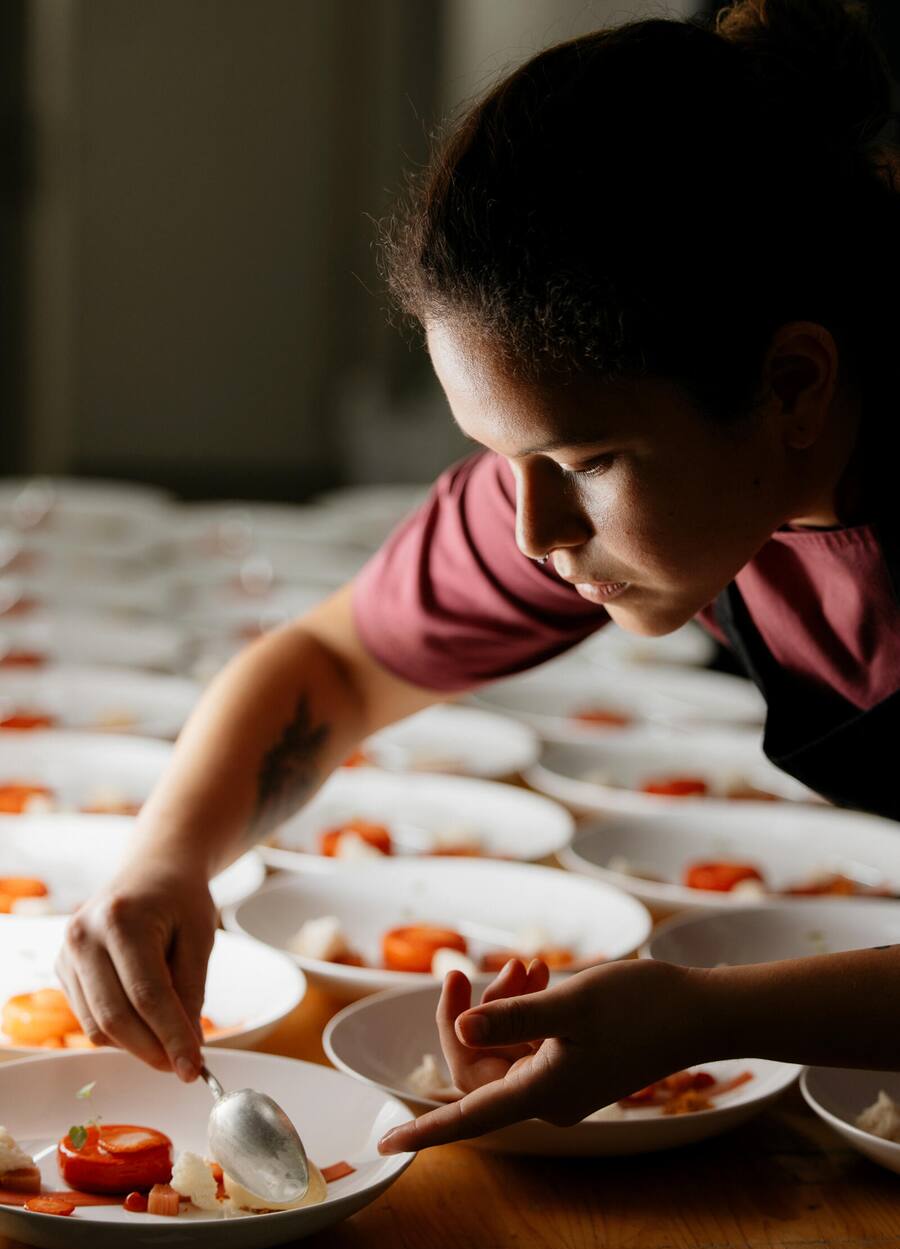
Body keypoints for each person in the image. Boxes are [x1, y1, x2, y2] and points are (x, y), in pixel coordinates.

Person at [58, 0, 900, 1155]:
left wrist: (704, 1016)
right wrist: (165, 861)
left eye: (584, 461)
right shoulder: (672, 478)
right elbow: (333, 661)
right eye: (501, 455)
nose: (530, 527)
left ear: (796, 385)